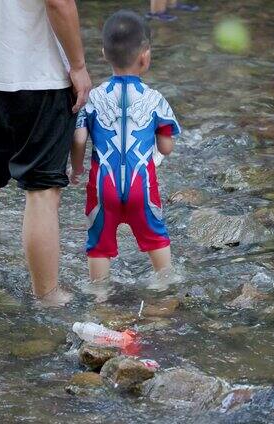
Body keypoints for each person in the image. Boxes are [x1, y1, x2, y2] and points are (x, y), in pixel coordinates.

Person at [0, 0, 91, 306]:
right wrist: (78, 66)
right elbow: (58, 2)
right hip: (39, 74)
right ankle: (47, 295)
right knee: (42, 190)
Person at [71, 10, 181, 283]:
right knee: (156, 237)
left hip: (102, 186)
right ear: (145, 56)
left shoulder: (93, 99)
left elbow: (79, 139)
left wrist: (76, 168)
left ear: (104, 54)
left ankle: (99, 296)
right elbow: (166, 147)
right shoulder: (155, 100)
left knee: (98, 244)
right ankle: (165, 288)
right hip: (141, 187)